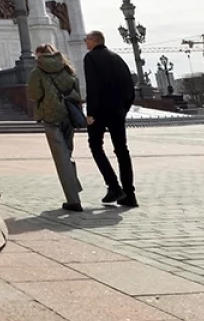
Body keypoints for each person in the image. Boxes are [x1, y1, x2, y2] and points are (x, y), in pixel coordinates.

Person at [83, 30, 138, 208]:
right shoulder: (116, 58)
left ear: (95, 41)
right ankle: (129, 194)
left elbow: (93, 86)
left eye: (88, 39)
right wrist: (124, 108)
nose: (85, 41)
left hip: (99, 112)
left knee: (95, 146)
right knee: (122, 150)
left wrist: (90, 112)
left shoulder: (91, 58)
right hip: (117, 112)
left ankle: (113, 186)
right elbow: (129, 85)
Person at [27, 43, 84, 212]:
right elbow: (77, 91)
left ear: (39, 55)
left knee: (61, 158)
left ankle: (73, 200)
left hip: (51, 118)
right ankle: (74, 187)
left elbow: (34, 94)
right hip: (68, 116)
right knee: (67, 154)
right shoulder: (67, 69)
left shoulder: (37, 72)